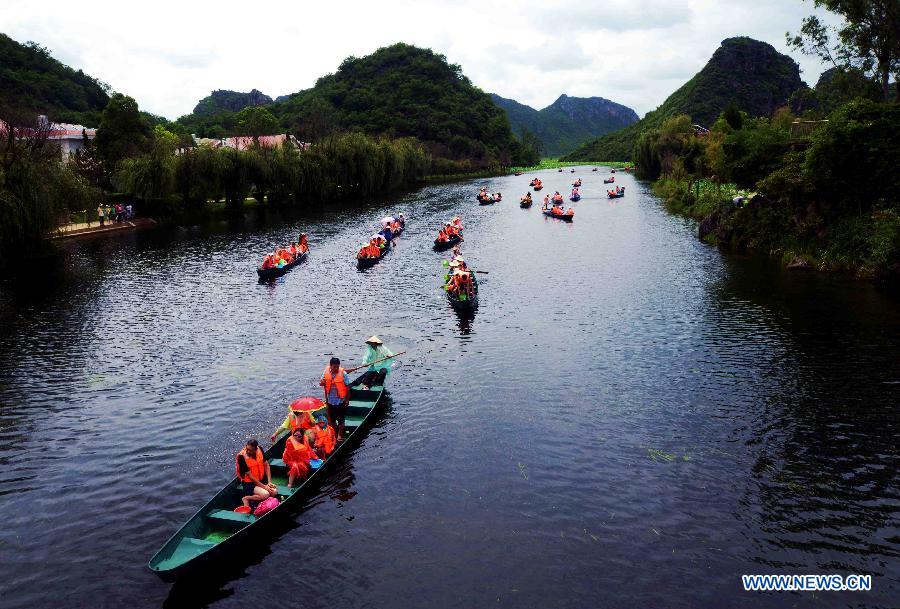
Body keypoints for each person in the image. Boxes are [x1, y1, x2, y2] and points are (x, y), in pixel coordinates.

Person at [236, 439, 277, 511]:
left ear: (256, 448)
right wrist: (264, 486)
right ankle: (246, 498)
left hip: (260, 480)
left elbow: (266, 465)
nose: (248, 451)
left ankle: (259, 500)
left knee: (274, 492)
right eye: (247, 449)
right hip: (249, 483)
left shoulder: (260, 449)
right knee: (266, 494)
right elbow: (250, 477)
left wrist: (269, 482)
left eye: (251, 450)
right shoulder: (241, 457)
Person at [320, 357, 350, 441]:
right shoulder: (326, 372)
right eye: (334, 367)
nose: (336, 368)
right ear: (330, 366)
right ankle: (335, 432)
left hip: (340, 401)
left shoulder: (343, 374)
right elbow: (321, 383)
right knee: (332, 420)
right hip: (330, 401)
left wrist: (347, 400)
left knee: (341, 419)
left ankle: (340, 435)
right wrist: (322, 382)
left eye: (337, 366)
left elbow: (348, 388)